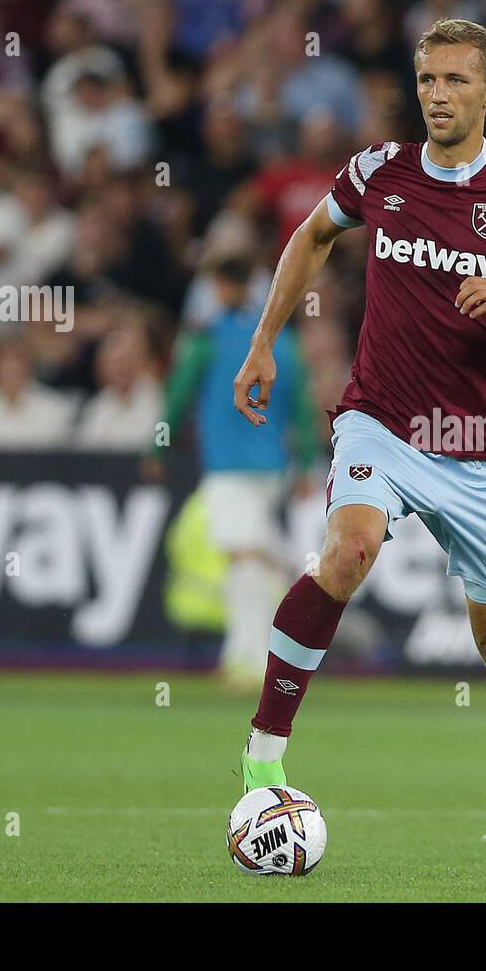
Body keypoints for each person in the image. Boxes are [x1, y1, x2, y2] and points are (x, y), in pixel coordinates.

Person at [231, 19, 486, 875]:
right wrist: (264, 341)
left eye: (454, 80)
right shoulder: (380, 171)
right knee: (348, 548)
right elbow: (311, 236)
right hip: (381, 416)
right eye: (426, 80)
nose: (437, 96)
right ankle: (263, 752)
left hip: (479, 445)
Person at [156, 256, 318, 688]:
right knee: (251, 558)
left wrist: (157, 442)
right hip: (271, 467)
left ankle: (248, 660)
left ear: (222, 286)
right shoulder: (282, 341)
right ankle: (259, 645)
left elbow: (178, 393)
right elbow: (301, 404)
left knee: (243, 557)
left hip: (227, 466)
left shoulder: (205, 339)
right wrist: (304, 460)